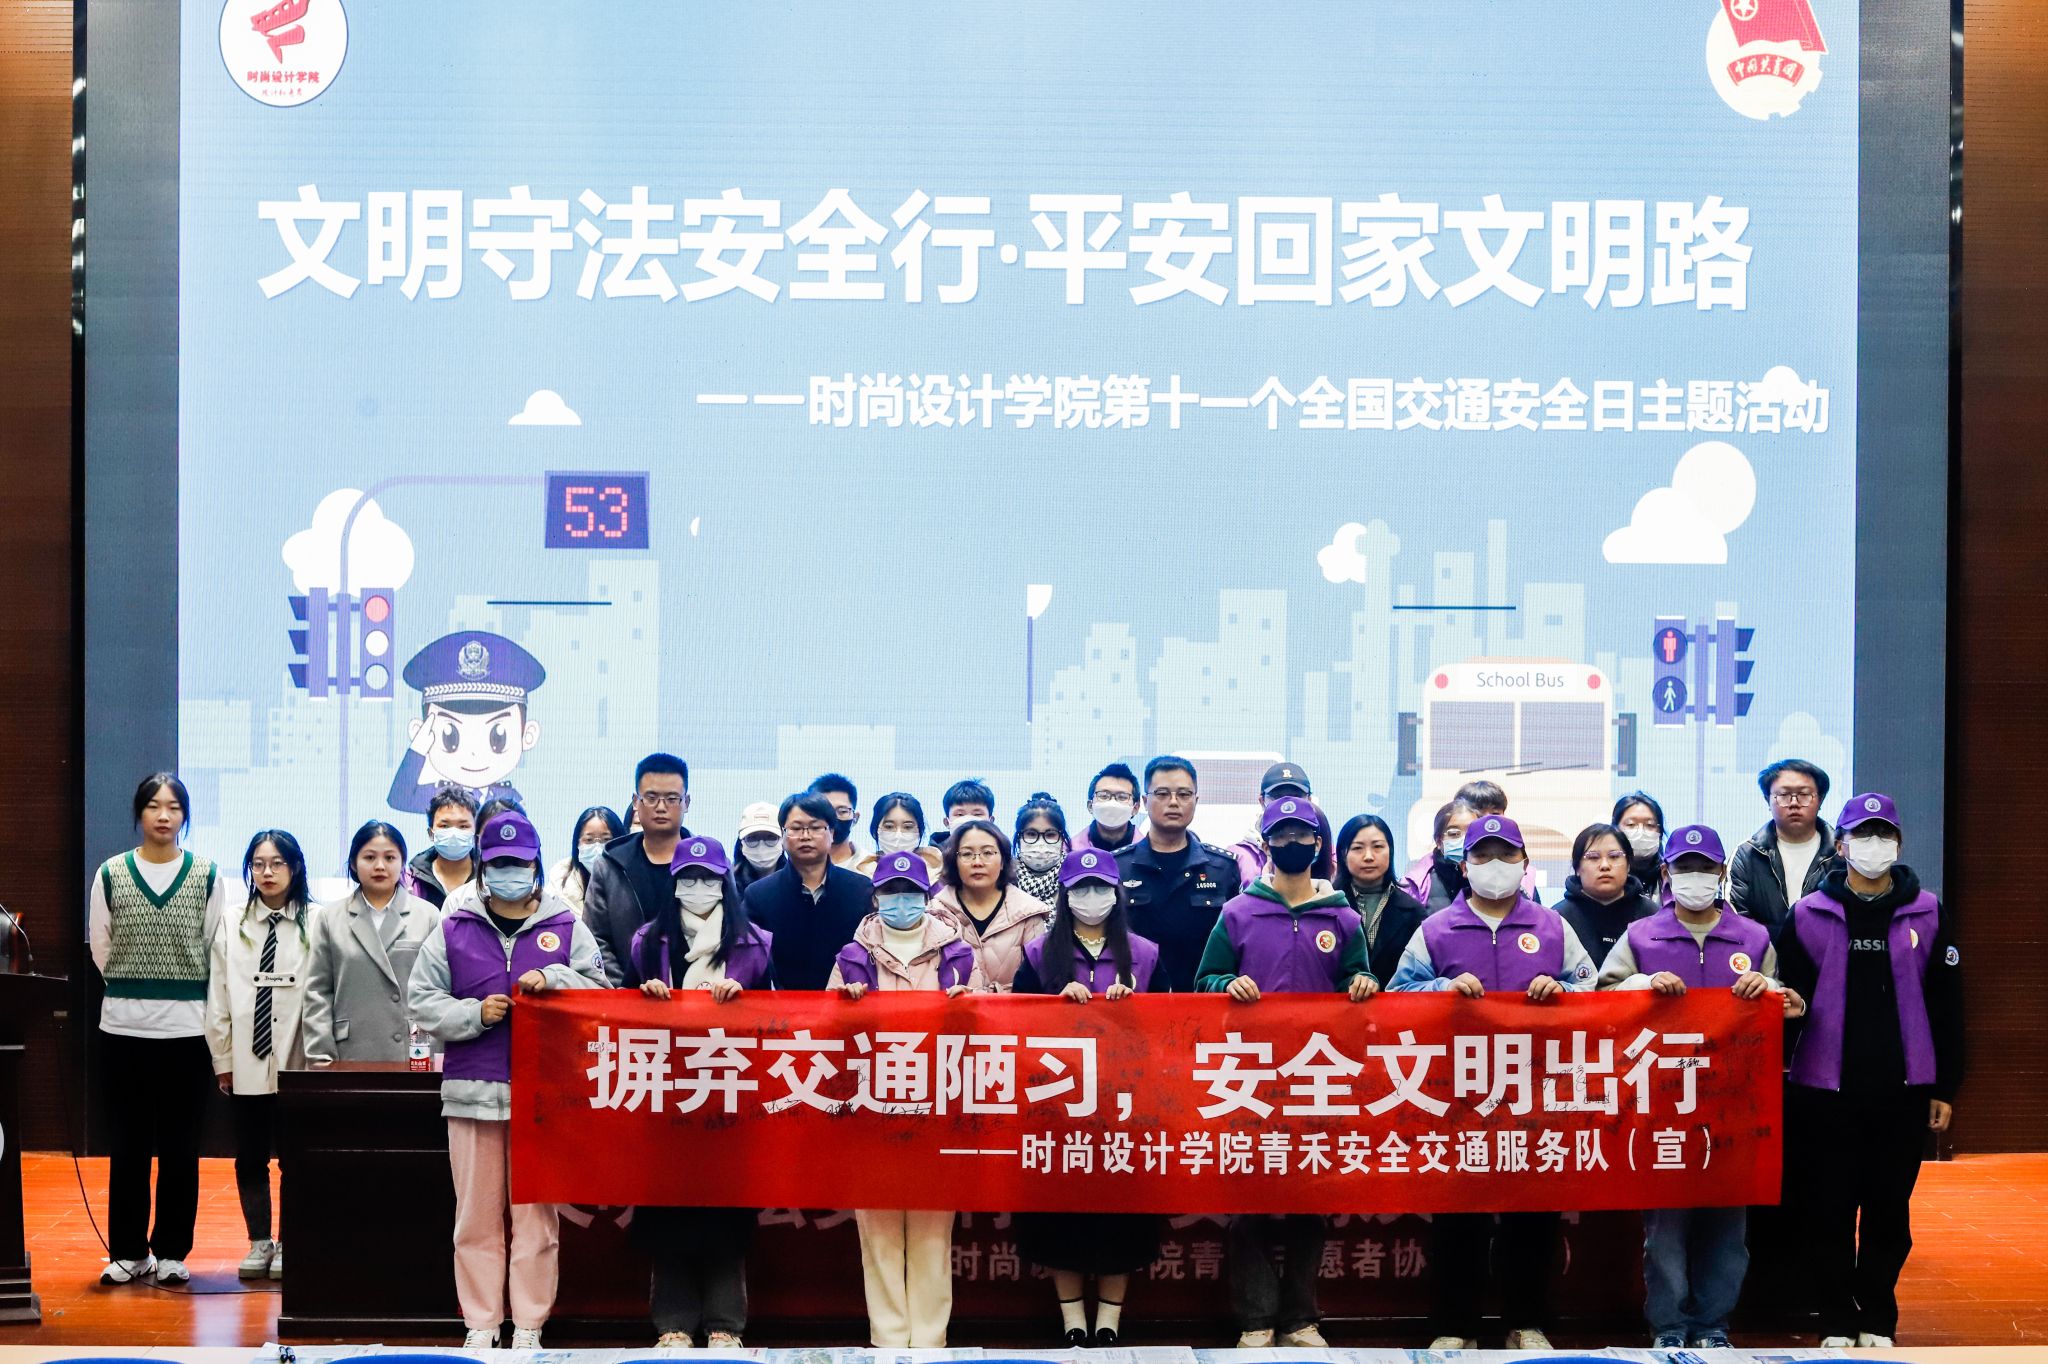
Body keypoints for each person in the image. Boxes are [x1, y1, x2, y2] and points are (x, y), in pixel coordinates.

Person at [1387, 814, 1595, 1350]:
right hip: (1458, 1096)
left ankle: (1526, 1323)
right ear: (1464, 865)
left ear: (1525, 864)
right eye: (1482, 856)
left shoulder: (1553, 927)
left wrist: (1563, 992)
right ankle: (1454, 1326)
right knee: (1459, 1217)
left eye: (1506, 855)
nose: (1494, 865)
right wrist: (1441, 988)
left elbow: (1593, 994)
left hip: (1535, 1095)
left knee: (1533, 1217)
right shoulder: (1435, 929)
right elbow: (1396, 997)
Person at [1595, 824, 1806, 1348]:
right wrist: (1642, 984)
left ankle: (1713, 1324)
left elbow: (1783, 1001)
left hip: (1735, 1105)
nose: (1695, 876)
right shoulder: (1641, 936)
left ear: (1721, 872)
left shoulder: (1753, 938)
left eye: (1705, 868)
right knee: (1665, 1230)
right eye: (1685, 867)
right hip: (1661, 1105)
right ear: (1667, 873)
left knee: (1728, 1227)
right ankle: (1669, 1325)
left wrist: (1770, 988)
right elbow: (1602, 996)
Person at [408, 808, 607, 1349]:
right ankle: (481, 1324)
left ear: (536, 864)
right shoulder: (455, 927)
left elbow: (600, 993)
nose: (509, 873)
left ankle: (529, 1325)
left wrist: (555, 977)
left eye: (519, 863)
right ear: (483, 866)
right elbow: (421, 999)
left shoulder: (566, 925)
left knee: (536, 1219)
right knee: (475, 1218)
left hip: (545, 1098)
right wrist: (473, 1014)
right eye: (499, 864)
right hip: (472, 1092)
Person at [1776, 793, 1962, 1348]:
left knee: (1888, 1211)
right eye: (1862, 834)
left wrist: (1945, 1086)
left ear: (1898, 844)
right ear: (1841, 844)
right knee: (1829, 1210)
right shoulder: (1807, 914)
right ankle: (1836, 1318)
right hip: (1823, 1090)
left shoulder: (1927, 910)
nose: (1873, 844)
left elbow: (1948, 1004)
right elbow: (1786, 999)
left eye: (1883, 834)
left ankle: (1878, 1315)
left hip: (1903, 1090)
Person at [1196, 798, 1377, 1348]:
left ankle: (1300, 1318)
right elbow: (1204, 980)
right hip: (1249, 1075)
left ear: (1318, 845)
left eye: (1301, 835)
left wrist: (1363, 984)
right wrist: (1226, 984)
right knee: (1248, 1198)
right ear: (1267, 844)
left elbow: (1360, 981)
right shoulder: (1238, 913)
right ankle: (1255, 1319)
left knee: (1310, 1199)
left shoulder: (1343, 918)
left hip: (1319, 1076)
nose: (1291, 843)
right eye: (1281, 835)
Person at [1012, 848, 1165, 1346]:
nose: (1092, 896)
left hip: (1126, 1108)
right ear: (1065, 894)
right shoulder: (1040, 953)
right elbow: (1015, 1022)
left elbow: (1173, 1026)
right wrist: (1054, 1006)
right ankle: (1073, 1322)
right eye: (1081, 888)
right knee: (1064, 1216)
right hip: (1058, 1106)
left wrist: (1135, 1009)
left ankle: (1109, 1325)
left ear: (1117, 893)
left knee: (1121, 1217)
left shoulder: (1145, 953)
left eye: (1101, 887)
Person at [829, 854, 981, 1346]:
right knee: (878, 1229)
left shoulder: (958, 955)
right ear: (875, 897)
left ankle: (931, 1341)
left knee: (933, 1230)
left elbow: (987, 1029)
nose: (901, 901)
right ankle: (889, 1339)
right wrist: (846, 1009)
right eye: (891, 892)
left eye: (910, 892)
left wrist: (968, 1009)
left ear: (926, 896)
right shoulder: (851, 956)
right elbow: (827, 1034)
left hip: (938, 1103)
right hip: (872, 1106)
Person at [630, 836, 775, 1348]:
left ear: (725, 883)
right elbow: (619, 1013)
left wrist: (746, 999)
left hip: (730, 1089)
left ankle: (724, 1323)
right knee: (667, 1206)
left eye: (708, 879)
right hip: (665, 1090)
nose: (698, 887)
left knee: (726, 1208)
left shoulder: (755, 943)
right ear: (673, 885)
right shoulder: (647, 941)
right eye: (687, 879)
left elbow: (778, 1019)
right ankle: (672, 1323)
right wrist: (646, 997)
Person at [89, 773, 226, 1287]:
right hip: (122, 1030)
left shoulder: (207, 874)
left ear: (185, 816)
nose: (163, 815)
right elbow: (100, 946)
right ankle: (128, 1252)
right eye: (153, 805)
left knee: (179, 1148)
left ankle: (171, 1250)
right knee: (126, 1145)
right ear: (139, 813)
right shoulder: (111, 873)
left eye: (173, 806)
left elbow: (214, 946)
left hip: (187, 1032)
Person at [204, 829, 313, 1282]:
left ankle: (291, 1241)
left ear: (295, 867)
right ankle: (259, 1241)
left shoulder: (316, 921)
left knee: (295, 1157)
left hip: (298, 1062)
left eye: (277, 863)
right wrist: (222, 1058)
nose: (267, 872)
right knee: (250, 1155)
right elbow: (218, 994)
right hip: (246, 1059)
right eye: (258, 864)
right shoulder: (233, 921)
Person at [303, 820, 440, 1064]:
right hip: (349, 1052)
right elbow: (318, 993)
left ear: (402, 863)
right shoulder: (330, 918)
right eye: (369, 857)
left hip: (412, 1051)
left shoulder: (427, 915)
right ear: (353, 864)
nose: (380, 866)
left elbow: (438, 991)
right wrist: (320, 1060)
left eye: (390, 858)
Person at [1116, 756, 1242, 992]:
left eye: (1184, 794)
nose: (1173, 802)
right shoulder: (1118, 867)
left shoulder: (1222, 868)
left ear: (1196, 800)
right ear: (1144, 801)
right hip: (1135, 999)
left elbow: (1234, 944)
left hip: (1203, 1000)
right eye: (1162, 794)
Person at [387, 629, 547, 814]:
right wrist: (417, 749)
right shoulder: (440, 797)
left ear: (527, 735)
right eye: (450, 738)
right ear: (421, 732)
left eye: (498, 738)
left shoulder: (509, 799)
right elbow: (400, 798)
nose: (474, 753)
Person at [584, 753, 693, 985]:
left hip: (696, 995)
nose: (661, 807)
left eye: (672, 798)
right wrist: (627, 988)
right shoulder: (610, 865)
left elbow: (729, 932)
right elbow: (595, 939)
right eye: (651, 798)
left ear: (687, 803)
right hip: (628, 997)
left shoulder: (709, 865)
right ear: (636, 801)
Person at [745, 792, 873, 990]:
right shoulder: (759, 895)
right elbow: (748, 960)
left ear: (832, 832)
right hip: (783, 1007)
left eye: (815, 828)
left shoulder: (861, 890)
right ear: (783, 834)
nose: (805, 836)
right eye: (796, 828)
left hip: (847, 1001)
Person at [930, 818, 1047, 990]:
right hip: (953, 1006)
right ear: (954, 861)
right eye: (967, 854)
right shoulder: (936, 912)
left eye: (987, 853)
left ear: (1003, 861)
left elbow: (1039, 983)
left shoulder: (1029, 913)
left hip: (1012, 1006)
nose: (977, 862)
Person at [1730, 758, 1838, 941]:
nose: (1794, 803)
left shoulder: (1840, 853)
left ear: (1820, 800)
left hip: (1826, 956)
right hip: (1761, 956)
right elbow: (1735, 918)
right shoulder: (1746, 854)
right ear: (1768, 800)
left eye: (1804, 794)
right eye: (1784, 795)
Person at [1332, 813, 1427, 989]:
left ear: (1390, 851)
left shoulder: (1414, 912)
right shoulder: (1328, 907)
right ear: (1343, 854)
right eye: (1358, 848)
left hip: (1394, 1004)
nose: (1368, 856)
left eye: (1377, 847)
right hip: (1339, 1004)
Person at [1555, 822, 1658, 967]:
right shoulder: (1557, 919)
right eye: (1593, 857)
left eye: (1614, 856)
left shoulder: (1652, 916)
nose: (1605, 865)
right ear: (1577, 868)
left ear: (1628, 865)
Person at [1224, 762, 1336, 886]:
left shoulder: (1329, 855)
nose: (1287, 805)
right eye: (1277, 796)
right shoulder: (1238, 856)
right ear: (1262, 801)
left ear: (1309, 800)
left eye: (1296, 796)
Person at [407, 786, 480, 910]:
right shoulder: (411, 881)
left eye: (463, 826)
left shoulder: (489, 879)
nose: (453, 834)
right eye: (445, 826)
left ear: (476, 832)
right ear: (431, 833)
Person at [545, 805, 625, 914]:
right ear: (577, 843)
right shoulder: (559, 880)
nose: (597, 847)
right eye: (589, 840)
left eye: (606, 839)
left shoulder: (633, 880)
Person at [1400, 800, 1477, 911]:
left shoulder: (1490, 876)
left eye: (1471, 832)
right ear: (1439, 841)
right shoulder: (1416, 884)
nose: (1464, 839)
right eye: (1454, 833)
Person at [853, 791, 944, 882]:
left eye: (907, 827)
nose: (898, 835)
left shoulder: (940, 871)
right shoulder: (860, 873)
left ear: (920, 831)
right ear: (875, 831)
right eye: (889, 827)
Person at [1010, 793, 1071, 908]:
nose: (1041, 843)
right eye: (1031, 834)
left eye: (1050, 834)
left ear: (1062, 838)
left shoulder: (1073, 878)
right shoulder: (1004, 877)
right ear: (1019, 837)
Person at [1071, 761, 1143, 854]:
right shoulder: (1069, 852)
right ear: (1090, 806)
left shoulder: (1148, 853)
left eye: (1122, 797)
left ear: (1135, 808)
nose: (1112, 803)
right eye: (1104, 796)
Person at [1613, 791, 1668, 888]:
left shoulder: (1670, 875)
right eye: (1631, 824)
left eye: (1650, 825)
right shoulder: (1606, 873)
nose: (1640, 832)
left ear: (1660, 831)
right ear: (1615, 829)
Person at [732, 801, 786, 894]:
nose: (761, 847)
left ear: (783, 841)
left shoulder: (799, 881)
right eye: (753, 838)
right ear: (741, 844)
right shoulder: (728, 885)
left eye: (770, 837)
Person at [809, 772, 862, 867]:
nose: (832, 818)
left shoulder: (875, 868)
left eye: (842, 811)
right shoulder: (794, 866)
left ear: (855, 818)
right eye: (824, 811)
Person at [928, 777, 995, 849]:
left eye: (977, 814)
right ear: (947, 822)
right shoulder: (931, 855)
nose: (969, 820)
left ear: (991, 821)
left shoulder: (1000, 852)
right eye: (960, 814)